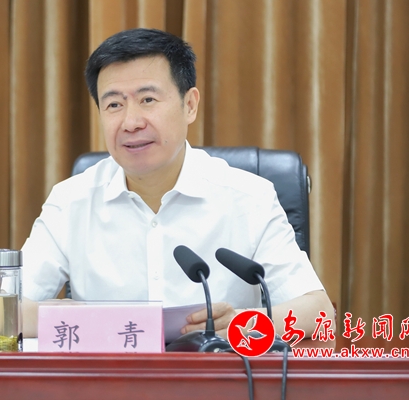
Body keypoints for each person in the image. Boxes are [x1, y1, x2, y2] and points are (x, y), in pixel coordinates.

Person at [21, 28, 334, 340]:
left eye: (148, 99)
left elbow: (319, 312)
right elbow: (6, 311)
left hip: (215, 370)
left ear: (190, 105)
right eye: (114, 105)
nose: (131, 123)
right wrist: (83, 318)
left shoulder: (249, 198)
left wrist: (243, 323)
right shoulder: (70, 201)